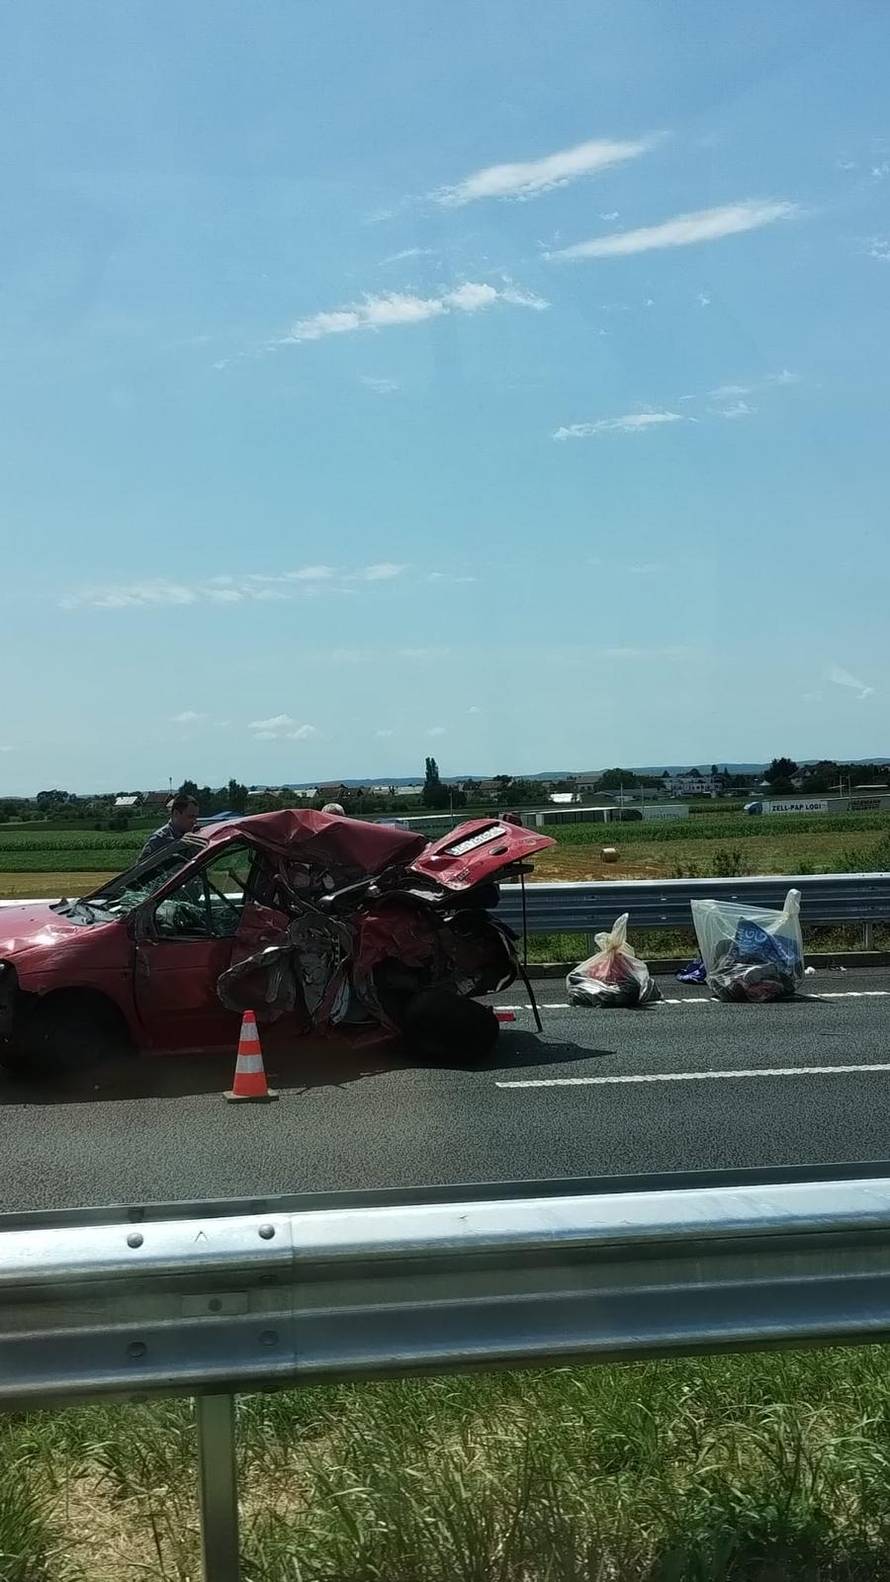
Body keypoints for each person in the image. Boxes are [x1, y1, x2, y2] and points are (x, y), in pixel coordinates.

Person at [138, 793, 199, 862]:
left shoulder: (195, 835)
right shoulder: (158, 840)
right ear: (176, 814)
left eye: (196, 817)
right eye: (190, 817)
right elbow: (140, 869)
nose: (194, 821)